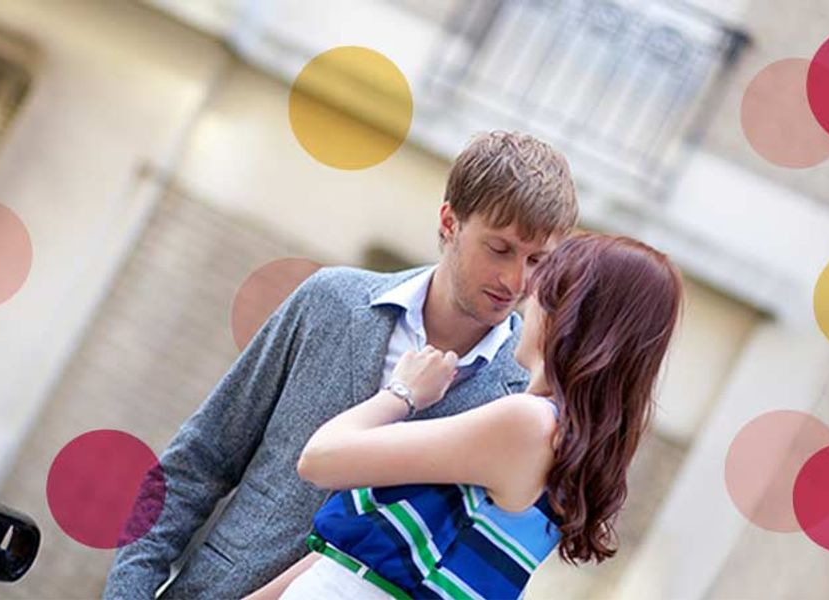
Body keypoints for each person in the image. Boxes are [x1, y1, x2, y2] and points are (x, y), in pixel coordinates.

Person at [103, 131, 579, 599]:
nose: (517, 279)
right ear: (450, 223)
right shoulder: (329, 301)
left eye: (539, 261)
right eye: (500, 249)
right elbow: (199, 462)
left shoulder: (523, 403)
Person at [250, 233, 684, 599]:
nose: (526, 295)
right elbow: (354, 558)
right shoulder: (554, 439)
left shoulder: (529, 425)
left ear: (568, 314)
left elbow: (321, 458)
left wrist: (403, 392)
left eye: (544, 285)